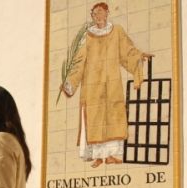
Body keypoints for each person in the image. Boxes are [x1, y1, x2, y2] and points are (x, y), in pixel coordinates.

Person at [62, 2, 154, 168]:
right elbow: (78, 62)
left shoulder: (117, 31)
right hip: (92, 86)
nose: (97, 16)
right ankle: (98, 156)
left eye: (100, 12)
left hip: (112, 84)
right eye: (94, 13)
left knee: (113, 117)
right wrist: (70, 82)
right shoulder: (87, 36)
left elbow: (128, 51)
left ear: (107, 13)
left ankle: (111, 155)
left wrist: (139, 56)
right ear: (92, 16)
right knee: (95, 118)